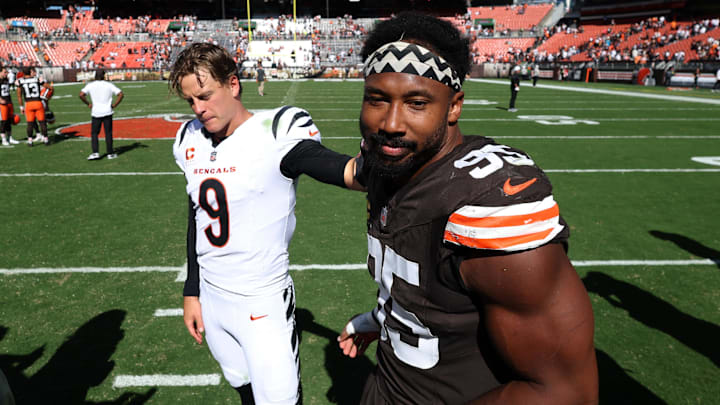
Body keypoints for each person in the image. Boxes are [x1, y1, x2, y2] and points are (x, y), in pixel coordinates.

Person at [337, 12, 598, 404]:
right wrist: (381, 319)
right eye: (377, 99)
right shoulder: (390, 162)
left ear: (454, 106)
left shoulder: (487, 203)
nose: (390, 123)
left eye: (416, 102)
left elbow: (566, 393)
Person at [169, 42, 362, 404]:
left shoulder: (276, 131)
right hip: (212, 296)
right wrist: (192, 290)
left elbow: (336, 168)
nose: (198, 109)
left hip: (262, 301)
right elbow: (197, 215)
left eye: (206, 96)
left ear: (233, 84)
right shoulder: (189, 139)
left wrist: (381, 169)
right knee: (242, 385)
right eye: (190, 101)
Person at [79, 69, 123, 160]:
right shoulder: (109, 85)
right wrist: (114, 105)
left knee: (94, 133)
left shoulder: (90, 85)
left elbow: (81, 95)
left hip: (96, 112)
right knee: (108, 133)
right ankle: (110, 153)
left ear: (95, 76)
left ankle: (95, 152)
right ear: (103, 76)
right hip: (107, 111)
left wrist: (88, 104)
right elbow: (120, 94)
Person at [16, 67, 50, 146]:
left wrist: (21, 107)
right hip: (38, 102)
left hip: (28, 103)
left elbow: (19, 96)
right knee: (42, 122)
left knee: (30, 123)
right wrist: (44, 96)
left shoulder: (20, 81)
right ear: (30, 72)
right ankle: (46, 140)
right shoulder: (37, 79)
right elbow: (48, 87)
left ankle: (30, 141)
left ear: (23, 73)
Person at [0, 66, 21, 146]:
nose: (6, 73)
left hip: (9, 102)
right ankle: (4, 139)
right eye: (5, 72)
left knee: (9, 121)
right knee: (3, 121)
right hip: (2, 104)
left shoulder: (6, 79)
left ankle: (10, 137)